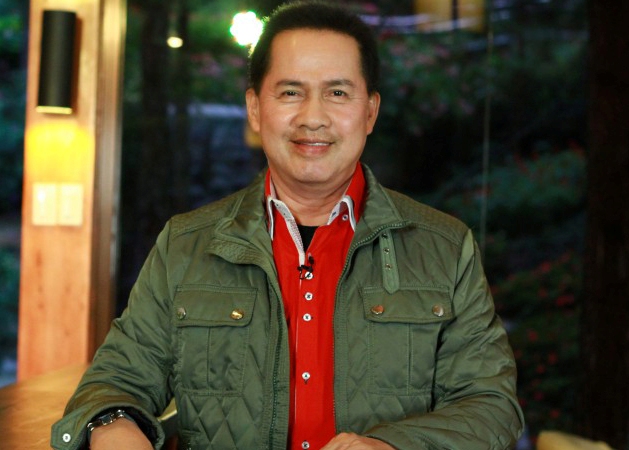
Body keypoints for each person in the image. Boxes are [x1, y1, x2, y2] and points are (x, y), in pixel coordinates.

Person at [51, 1, 524, 449]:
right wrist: (112, 425)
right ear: (256, 109)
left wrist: (390, 444)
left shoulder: (445, 247)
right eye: (291, 92)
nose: (313, 118)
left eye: (337, 93)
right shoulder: (185, 245)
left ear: (370, 112)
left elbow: (491, 406)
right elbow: (115, 381)